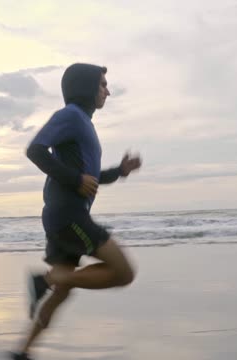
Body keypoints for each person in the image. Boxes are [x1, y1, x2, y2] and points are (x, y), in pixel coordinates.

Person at [10, 63, 142, 360]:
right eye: (102, 84)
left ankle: (22, 353)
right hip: (68, 216)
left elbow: (89, 179)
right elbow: (35, 150)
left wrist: (119, 171)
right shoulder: (70, 116)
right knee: (123, 272)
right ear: (85, 86)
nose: (107, 90)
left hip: (64, 216)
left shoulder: (83, 124)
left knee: (63, 292)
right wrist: (74, 180)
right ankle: (45, 279)